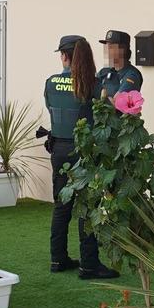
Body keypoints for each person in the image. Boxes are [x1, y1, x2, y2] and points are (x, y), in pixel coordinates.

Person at [44, 35, 119, 280]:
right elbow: (108, 112)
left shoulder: (51, 82)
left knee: (61, 206)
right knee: (87, 207)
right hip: (84, 152)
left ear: (64, 56)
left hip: (58, 151)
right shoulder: (93, 85)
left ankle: (58, 259)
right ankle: (89, 265)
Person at [95, 30, 143, 100]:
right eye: (106, 46)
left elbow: (117, 102)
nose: (107, 50)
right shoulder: (104, 72)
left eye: (111, 47)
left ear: (123, 49)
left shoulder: (132, 75)